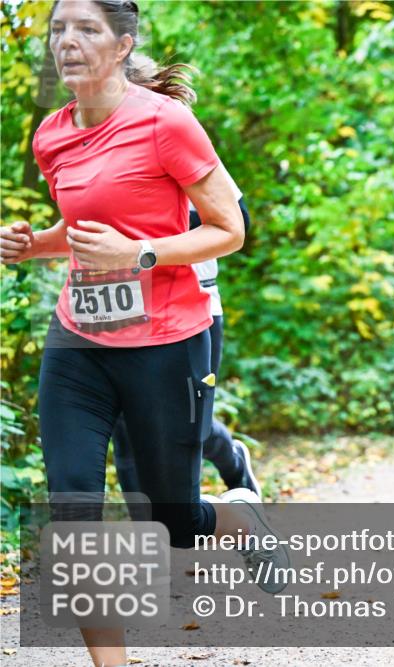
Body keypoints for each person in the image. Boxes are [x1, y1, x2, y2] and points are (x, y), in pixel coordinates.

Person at [0, 2, 287, 665]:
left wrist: (140, 255)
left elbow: (231, 230)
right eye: (58, 29)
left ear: (124, 43)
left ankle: (239, 516)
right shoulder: (51, 134)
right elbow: (80, 233)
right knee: (73, 513)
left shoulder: (166, 124)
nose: (67, 41)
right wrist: (30, 243)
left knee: (174, 523)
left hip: (165, 345)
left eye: (87, 28)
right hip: (78, 345)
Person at [113, 161, 261, 498]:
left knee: (190, 422)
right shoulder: (117, 155)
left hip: (197, 304)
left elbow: (239, 220)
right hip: (127, 306)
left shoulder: (191, 154)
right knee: (125, 423)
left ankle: (233, 460)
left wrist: (151, 227)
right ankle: (149, 534)